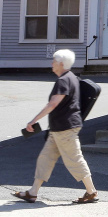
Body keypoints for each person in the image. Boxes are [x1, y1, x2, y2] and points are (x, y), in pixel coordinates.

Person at [13, 49, 98, 204]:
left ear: (60, 63)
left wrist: (33, 120)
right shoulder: (71, 77)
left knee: (75, 160)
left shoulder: (63, 80)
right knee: (45, 158)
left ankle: (91, 192)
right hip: (59, 128)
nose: (51, 63)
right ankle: (32, 192)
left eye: (53, 61)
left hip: (65, 129)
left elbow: (52, 104)